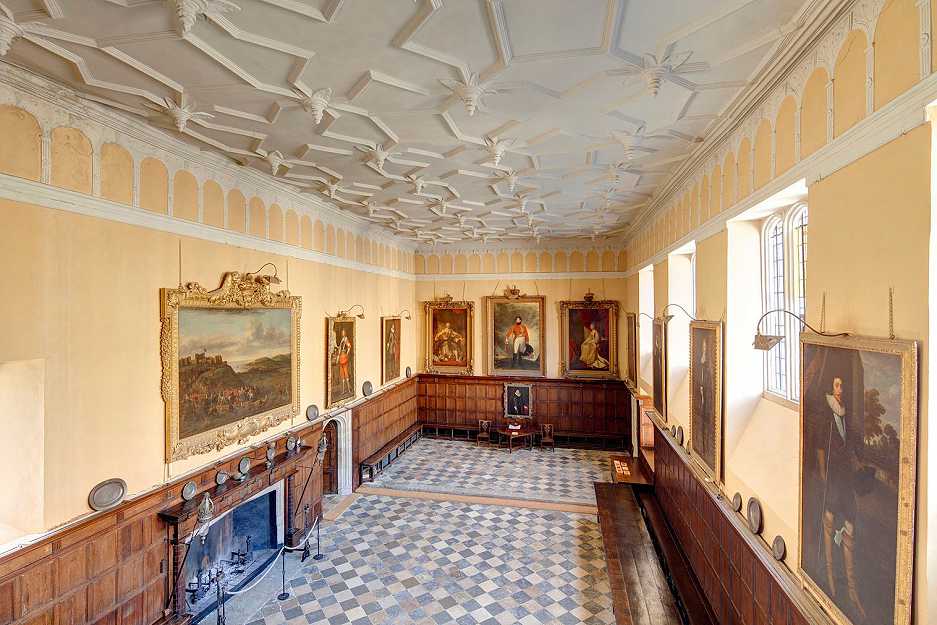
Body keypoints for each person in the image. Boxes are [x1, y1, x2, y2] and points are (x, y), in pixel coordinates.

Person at [335, 328, 352, 395]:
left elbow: (349, 346)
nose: (343, 333)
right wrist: (338, 358)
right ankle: (343, 390)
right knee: (342, 374)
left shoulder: (345, 339)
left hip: (344, 357)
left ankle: (349, 390)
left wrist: (346, 354)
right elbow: (339, 349)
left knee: (346, 373)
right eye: (342, 332)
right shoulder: (342, 339)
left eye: (343, 332)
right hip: (341, 358)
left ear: (345, 333)